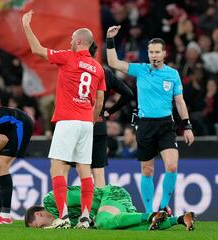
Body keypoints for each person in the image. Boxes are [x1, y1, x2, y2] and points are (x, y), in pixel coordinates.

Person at [22, 10, 106, 229]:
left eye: (71, 40)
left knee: (57, 168)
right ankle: (86, 218)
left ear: (79, 41)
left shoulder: (68, 57)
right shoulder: (98, 68)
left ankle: (64, 218)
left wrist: (26, 25)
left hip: (67, 121)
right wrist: (89, 120)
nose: (69, 43)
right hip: (87, 123)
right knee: (84, 170)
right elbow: (99, 102)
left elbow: (36, 50)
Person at [105, 25, 195, 214]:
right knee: (147, 171)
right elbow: (113, 62)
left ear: (164, 54)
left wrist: (187, 126)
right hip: (145, 125)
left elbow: (179, 101)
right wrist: (110, 39)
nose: (154, 55)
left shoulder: (172, 74)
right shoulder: (141, 69)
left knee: (172, 165)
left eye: (157, 52)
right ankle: (148, 213)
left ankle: (163, 206)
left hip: (165, 125)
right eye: (151, 52)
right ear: (147, 53)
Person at [25, 185, 195, 231]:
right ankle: (180, 219)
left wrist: (96, 216)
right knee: (128, 229)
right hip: (112, 207)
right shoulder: (64, 222)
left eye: (41, 225)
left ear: (39, 213)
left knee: (103, 222)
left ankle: (151, 215)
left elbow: (86, 195)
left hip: (110, 195)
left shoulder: (51, 200)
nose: (45, 228)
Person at [89, 41, 134, 187]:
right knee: (99, 170)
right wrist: (109, 112)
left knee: (82, 169)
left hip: (80, 123)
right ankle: (100, 207)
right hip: (100, 124)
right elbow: (128, 94)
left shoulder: (75, 71)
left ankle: (85, 208)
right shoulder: (105, 73)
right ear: (96, 54)